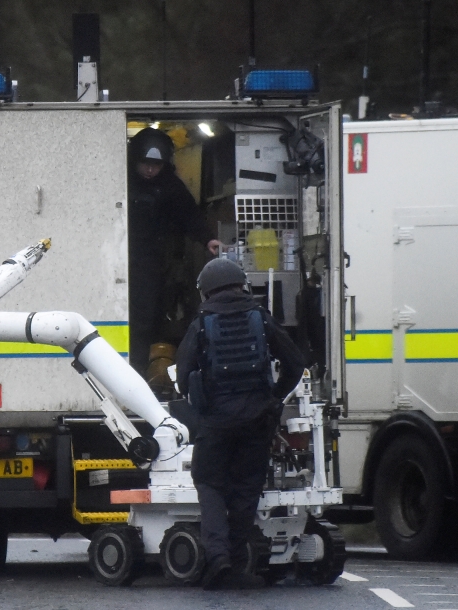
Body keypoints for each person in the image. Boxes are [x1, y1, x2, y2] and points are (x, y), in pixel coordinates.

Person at [175, 258, 307, 590]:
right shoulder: (261, 319)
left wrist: (199, 400)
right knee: (246, 489)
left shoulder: (201, 324)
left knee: (210, 484)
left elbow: (182, 374)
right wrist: (274, 397)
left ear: (206, 291)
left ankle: (217, 559)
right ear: (242, 285)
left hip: (217, 422)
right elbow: (295, 363)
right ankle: (233, 562)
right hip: (257, 420)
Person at [127, 127, 221, 376]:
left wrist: (208, 239)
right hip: (119, 260)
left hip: (152, 264)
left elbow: (189, 214)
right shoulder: (121, 180)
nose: (150, 170)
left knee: (150, 318)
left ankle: (146, 371)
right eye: (145, 164)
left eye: (155, 165)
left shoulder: (170, 186)